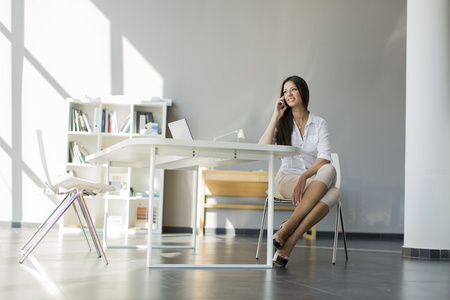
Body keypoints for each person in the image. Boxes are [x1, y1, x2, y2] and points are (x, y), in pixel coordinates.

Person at [259, 75, 340, 267]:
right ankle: (289, 241)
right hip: (287, 178)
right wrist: (275, 116)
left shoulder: (319, 123)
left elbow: (324, 156)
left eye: (293, 89)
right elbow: (263, 148)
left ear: (303, 91)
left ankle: (287, 230)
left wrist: (305, 176)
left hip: (311, 180)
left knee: (328, 169)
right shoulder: (282, 123)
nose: (289, 94)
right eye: (285, 91)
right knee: (334, 192)